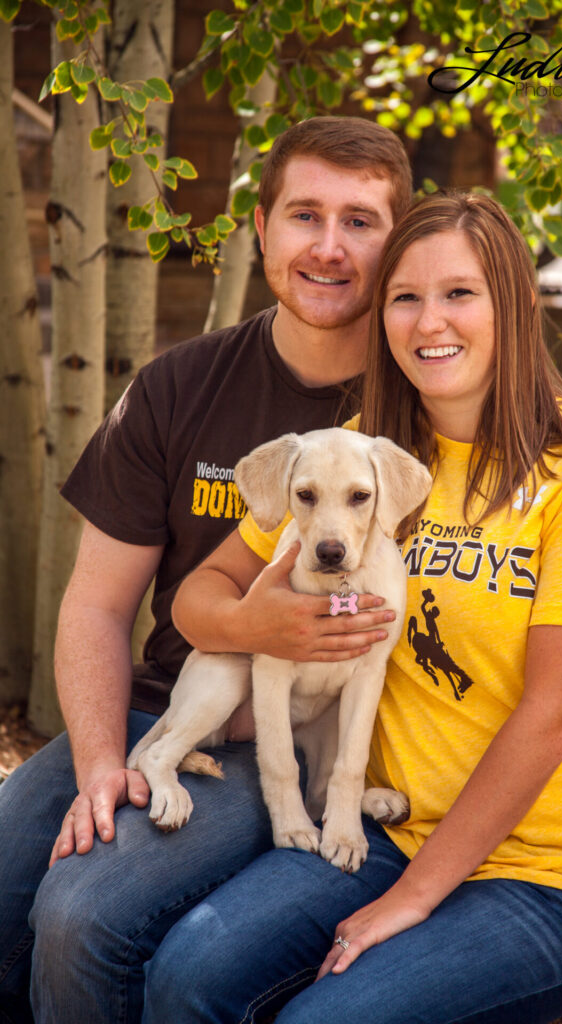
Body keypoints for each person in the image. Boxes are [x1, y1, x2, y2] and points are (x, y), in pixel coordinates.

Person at [140, 191, 562, 1024]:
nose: (431, 321)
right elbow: (202, 598)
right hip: (394, 824)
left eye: (460, 292)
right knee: (186, 975)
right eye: (405, 297)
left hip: (559, 865)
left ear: (514, 303)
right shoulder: (361, 457)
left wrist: (416, 899)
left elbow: (552, 716)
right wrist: (259, 629)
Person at [0, 116, 413, 1024]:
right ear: (260, 227)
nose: (329, 247)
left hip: (289, 733)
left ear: (398, 240)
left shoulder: (424, 401)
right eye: (305, 215)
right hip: (169, 699)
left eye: (360, 221)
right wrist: (105, 764)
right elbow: (97, 607)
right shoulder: (177, 387)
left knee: (81, 918)